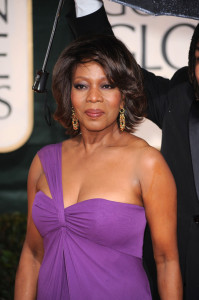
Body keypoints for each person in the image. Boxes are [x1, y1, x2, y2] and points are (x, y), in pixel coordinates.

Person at [14, 35, 182, 299]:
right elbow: (33, 254)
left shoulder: (147, 163)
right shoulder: (43, 162)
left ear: (124, 95)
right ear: (69, 93)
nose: (93, 97)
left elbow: (166, 261)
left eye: (106, 86)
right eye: (81, 86)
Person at [71, 1, 199, 299]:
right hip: (181, 268)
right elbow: (112, 64)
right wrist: (87, 4)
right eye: (198, 58)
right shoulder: (178, 98)